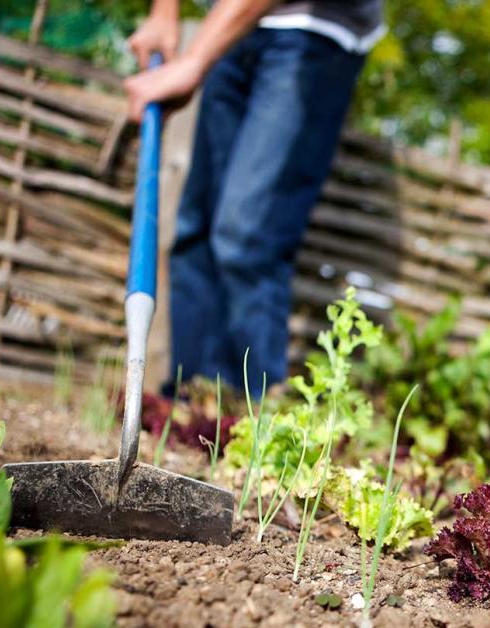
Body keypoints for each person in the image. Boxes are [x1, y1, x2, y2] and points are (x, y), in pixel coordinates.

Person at [123, 0, 383, 393]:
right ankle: (186, 404)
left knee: (246, 234)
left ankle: (245, 415)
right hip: (232, 25)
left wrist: (194, 61)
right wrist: (164, 13)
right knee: (196, 229)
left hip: (315, 34)